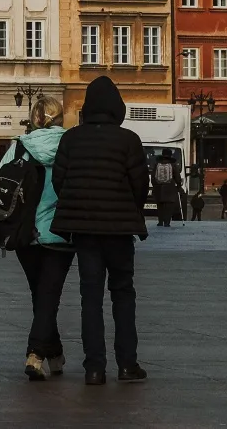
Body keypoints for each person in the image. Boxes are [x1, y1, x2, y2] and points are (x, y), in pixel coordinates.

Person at [49, 75, 149, 386]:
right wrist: (126, 208)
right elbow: (140, 185)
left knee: (89, 297)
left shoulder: (70, 139)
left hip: (84, 231)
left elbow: (59, 181)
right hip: (119, 230)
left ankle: (94, 368)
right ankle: (127, 364)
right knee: (123, 293)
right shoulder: (129, 140)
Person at [0, 95, 72, 381]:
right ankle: (36, 353)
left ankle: (54, 354)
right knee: (49, 295)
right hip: (60, 232)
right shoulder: (70, 146)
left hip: (24, 232)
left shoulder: (20, 146)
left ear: (35, 118)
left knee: (40, 294)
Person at [151, 150, 181, 227]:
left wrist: (155, 185)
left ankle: (160, 221)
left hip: (158, 188)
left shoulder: (157, 164)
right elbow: (177, 176)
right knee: (169, 206)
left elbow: (153, 176)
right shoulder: (172, 164)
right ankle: (167, 222)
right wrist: (178, 185)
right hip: (169, 188)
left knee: (160, 206)